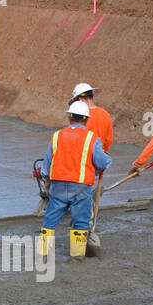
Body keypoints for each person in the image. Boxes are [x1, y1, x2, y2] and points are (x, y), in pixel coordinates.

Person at [38, 100, 111, 260]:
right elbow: (103, 162)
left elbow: (45, 166)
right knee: (81, 222)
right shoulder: (92, 138)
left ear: (69, 118)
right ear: (86, 119)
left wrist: (46, 181)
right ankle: (77, 257)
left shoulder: (56, 136)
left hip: (57, 185)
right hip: (80, 187)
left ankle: (43, 254)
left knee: (50, 220)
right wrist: (104, 162)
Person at [69, 82, 114, 152]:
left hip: (82, 156)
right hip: (100, 155)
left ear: (80, 99)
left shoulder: (78, 115)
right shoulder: (105, 114)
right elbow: (108, 141)